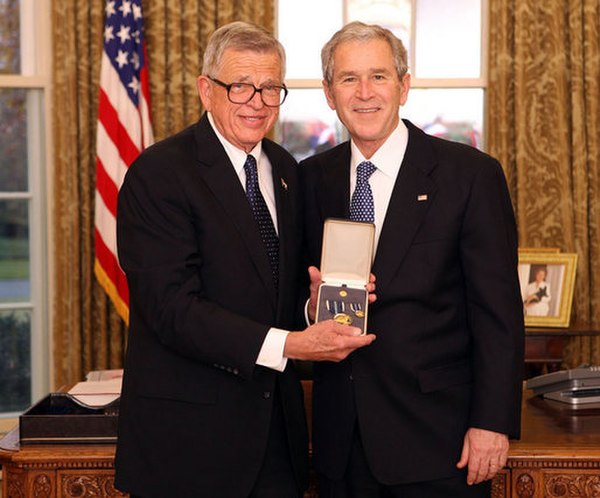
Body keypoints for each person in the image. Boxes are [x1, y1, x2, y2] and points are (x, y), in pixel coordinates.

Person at [114, 21, 375, 498]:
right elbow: (170, 308)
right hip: (189, 447)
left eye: (270, 87)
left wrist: (312, 307)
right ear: (205, 90)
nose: (257, 101)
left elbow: (284, 284)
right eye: (240, 87)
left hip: (277, 439)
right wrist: (292, 344)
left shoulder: (288, 171)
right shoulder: (159, 174)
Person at [300, 21, 525, 497]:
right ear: (327, 92)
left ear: (403, 86)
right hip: (342, 443)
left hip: (439, 442)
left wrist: (491, 422)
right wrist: (310, 305)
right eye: (348, 78)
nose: (364, 93)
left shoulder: (470, 176)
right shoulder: (310, 179)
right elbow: (296, 292)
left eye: (379, 76)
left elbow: (498, 313)